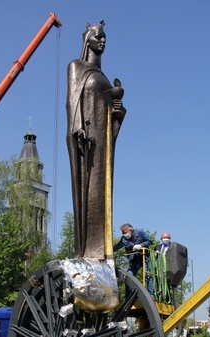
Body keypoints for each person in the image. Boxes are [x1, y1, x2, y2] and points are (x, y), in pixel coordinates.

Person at [66, 21, 126, 259]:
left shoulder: (104, 77)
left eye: (105, 38)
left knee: (102, 190)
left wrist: (118, 111)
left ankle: (101, 248)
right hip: (85, 139)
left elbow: (111, 112)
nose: (103, 41)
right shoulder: (76, 67)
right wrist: (77, 125)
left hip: (102, 143)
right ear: (87, 39)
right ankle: (87, 249)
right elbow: (72, 99)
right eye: (98, 37)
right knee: (88, 189)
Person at [114, 223, 154, 296]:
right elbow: (117, 246)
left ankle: (151, 295)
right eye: (123, 233)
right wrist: (107, 250)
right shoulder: (123, 239)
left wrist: (141, 245)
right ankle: (128, 297)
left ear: (130, 230)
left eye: (125, 233)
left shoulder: (140, 233)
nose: (125, 235)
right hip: (134, 260)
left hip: (145, 258)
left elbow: (150, 241)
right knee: (129, 276)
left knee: (148, 275)